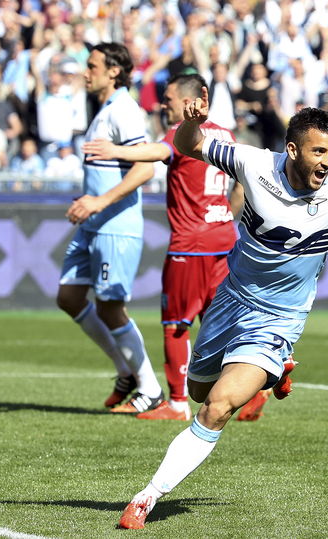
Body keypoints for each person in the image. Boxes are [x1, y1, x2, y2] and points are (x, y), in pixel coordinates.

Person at [117, 94, 328, 529]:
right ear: (292, 150)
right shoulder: (254, 164)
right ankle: (275, 372)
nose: (327, 162)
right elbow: (189, 146)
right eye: (319, 151)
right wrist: (192, 123)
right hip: (230, 301)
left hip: (278, 320)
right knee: (198, 392)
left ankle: (147, 497)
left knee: (218, 407)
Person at [80, 73, 243, 420]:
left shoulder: (180, 132)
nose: (161, 104)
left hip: (191, 244)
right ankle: (250, 389)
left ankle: (178, 404)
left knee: (176, 325)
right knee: (219, 322)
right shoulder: (226, 135)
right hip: (224, 238)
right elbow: (241, 184)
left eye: (167, 98)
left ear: (186, 102)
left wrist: (116, 150)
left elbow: (158, 152)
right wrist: (227, 216)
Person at [58, 42, 163, 414]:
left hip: (115, 225)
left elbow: (146, 167)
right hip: (93, 225)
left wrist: (99, 201)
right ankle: (125, 371)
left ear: (113, 71)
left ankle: (150, 389)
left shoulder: (124, 110)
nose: (85, 72)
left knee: (111, 307)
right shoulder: (103, 110)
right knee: (69, 297)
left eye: (92, 65)